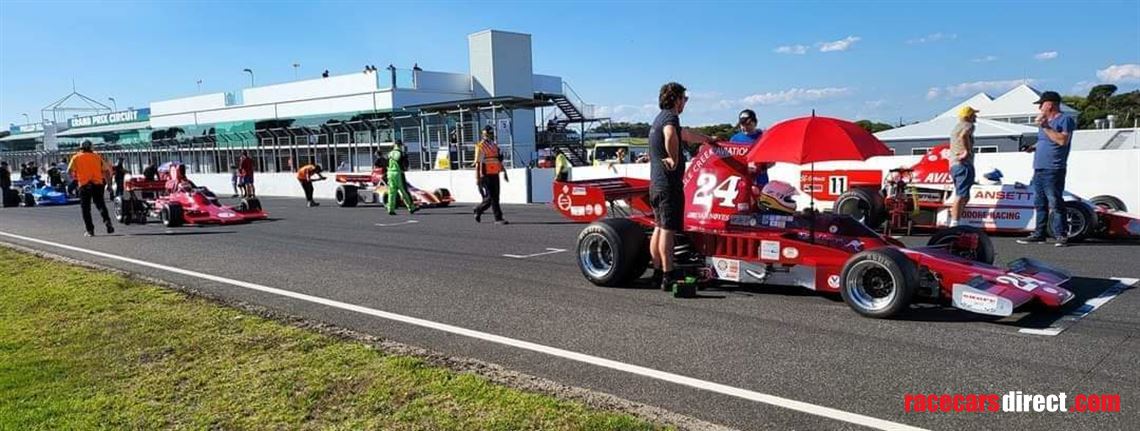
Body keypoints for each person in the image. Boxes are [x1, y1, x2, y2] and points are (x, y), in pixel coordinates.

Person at [647, 82, 716, 293]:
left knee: (659, 227)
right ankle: (668, 275)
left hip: (656, 184)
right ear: (676, 99)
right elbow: (671, 134)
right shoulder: (670, 118)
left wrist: (707, 139)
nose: (685, 103)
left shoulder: (659, 118)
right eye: (684, 99)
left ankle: (657, 271)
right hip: (668, 185)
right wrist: (674, 158)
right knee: (667, 229)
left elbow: (684, 134)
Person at [1018, 91, 1076, 247]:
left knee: (1055, 202)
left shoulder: (1065, 119)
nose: (1040, 108)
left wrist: (1045, 126)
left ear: (1049, 104)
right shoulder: (1045, 123)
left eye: (1041, 105)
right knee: (1039, 203)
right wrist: (1032, 147)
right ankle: (1039, 234)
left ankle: (1061, 234)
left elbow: (1062, 140)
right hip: (1039, 168)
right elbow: (1045, 141)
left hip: (1054, 168)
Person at [67, 140, 114, 237]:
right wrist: (109, 185)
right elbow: (106, 172)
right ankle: (107, 221)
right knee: (101, 205)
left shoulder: (76, 157)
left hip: (84, 185)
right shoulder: (97, 157)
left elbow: (69, 171)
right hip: (97, 184)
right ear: (91, 147)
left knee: (86, 209)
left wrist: (75, 178)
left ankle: (90, 230)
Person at [948, 106, 978, 227]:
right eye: (973, 115)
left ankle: (955, 216)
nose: (975, 117)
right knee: (961, 195)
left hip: (954, 165)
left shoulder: (956, 127)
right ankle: (955, 222)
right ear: (968, 116)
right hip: (964, 164)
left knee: (964, 195)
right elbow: (964, 136)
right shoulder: (969, 125)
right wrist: (967, 150)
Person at [473, 125, 509, 224]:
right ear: (484, 134)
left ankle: (478, 209)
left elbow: (498, 160)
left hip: (495, 173)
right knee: (493, 197)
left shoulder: (494, 145)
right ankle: (498, 218)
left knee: (494, 197)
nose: (489, 135)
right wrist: (478, 177)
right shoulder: (481, 146)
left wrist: (504, 172)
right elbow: (478, 163)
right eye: (487, 134)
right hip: (485, 174)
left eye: (490, 133)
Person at [730, 109, 772, 187]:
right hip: (741, 182)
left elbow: (772, 160)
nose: (745, 127)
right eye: (742, 124)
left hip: (761, 181)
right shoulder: (734, 139)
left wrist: (761, 168)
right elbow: (731, 161)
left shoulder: (764, 137)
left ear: (755, 123)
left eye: (748, 124)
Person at [386, 140, 419, 216]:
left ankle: (390, 209)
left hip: (390, 173)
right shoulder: (401, 153)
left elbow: (386, 164)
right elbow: (405, 165)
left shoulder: (389, 153)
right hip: (398, 173)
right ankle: (411, 207)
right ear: (400, 145)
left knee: (391, 192)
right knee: (404, 191)